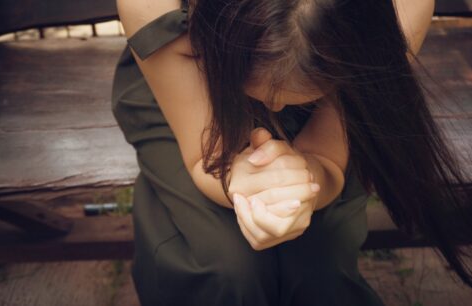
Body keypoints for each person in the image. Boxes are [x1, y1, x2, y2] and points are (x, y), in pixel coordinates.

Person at [111, 0, 472, 305]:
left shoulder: (402, 7)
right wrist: (241, 186)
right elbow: (201, 156)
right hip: (187, 80)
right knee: (224, 266)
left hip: (346, 92)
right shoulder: (154, 7)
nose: (274, 106)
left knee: (319, 264)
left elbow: (328, 156)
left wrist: (309, 185)